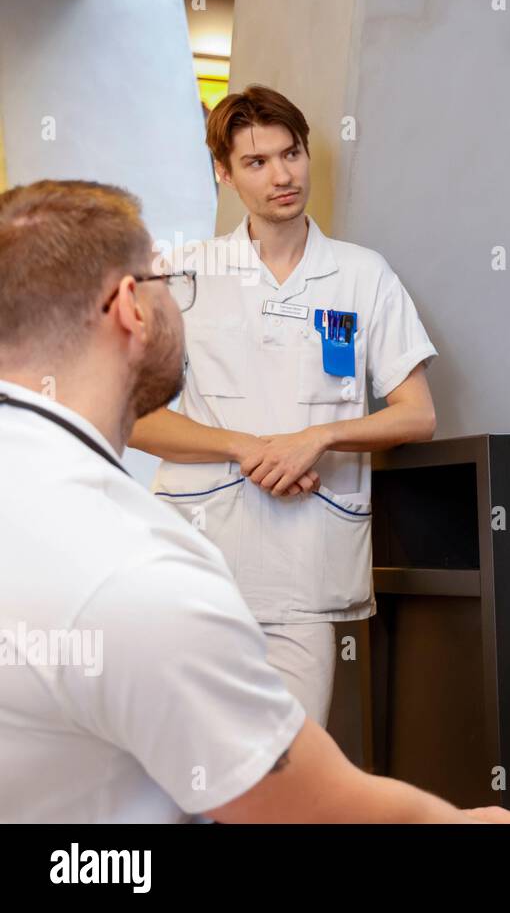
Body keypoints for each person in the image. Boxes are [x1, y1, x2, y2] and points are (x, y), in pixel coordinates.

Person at [0, 179, 510, 823]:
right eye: (161, 281)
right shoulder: (138, 568)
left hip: (300, 564)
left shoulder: (48, 498)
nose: (177, 294)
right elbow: (301, 806)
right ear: (129, 308)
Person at [129, 85, 438, 726]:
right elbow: (134, 419)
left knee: (292, 760)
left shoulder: (361, 274)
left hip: (306, 563)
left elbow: (417, 414)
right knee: (188, 762)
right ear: (224, 172)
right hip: (198, 559)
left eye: (290, 154)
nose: (281, 176)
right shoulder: (182, 274)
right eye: (256, 162)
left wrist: (316, 439)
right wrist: (248, 447)